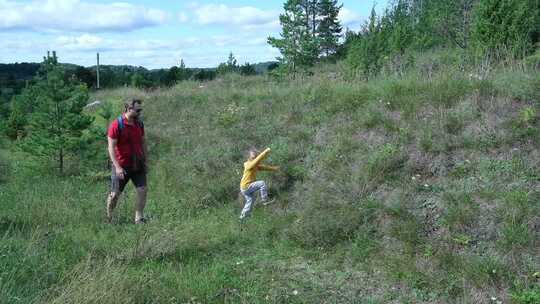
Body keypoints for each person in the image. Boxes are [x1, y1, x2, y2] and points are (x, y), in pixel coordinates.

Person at [106, 99, 148, 224]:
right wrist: (117, 167)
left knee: (143, 190)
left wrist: (146, 160)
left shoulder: (139, 124)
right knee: (115, 194)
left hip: (138, 163)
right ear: (129, 109)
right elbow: (111, 147)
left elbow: (143, 142)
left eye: (140, 109)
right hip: (122, 165)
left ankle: (139, 218)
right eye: (137, 110)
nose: (140, 112)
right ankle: (109, 217)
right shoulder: (116, 125)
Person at [239, 147, 279, 220]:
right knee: (262, 183)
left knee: (250, 201)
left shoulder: (255, 166)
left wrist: (274, 169)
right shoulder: (247, 164)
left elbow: (264, 167)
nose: (255, 154)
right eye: (253, 153)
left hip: (244, 188)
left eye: (255, 153)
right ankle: (265, 200)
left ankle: (242, 218)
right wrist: (266, 151)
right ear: (249, 156)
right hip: (246, 186)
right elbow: (256, 161)